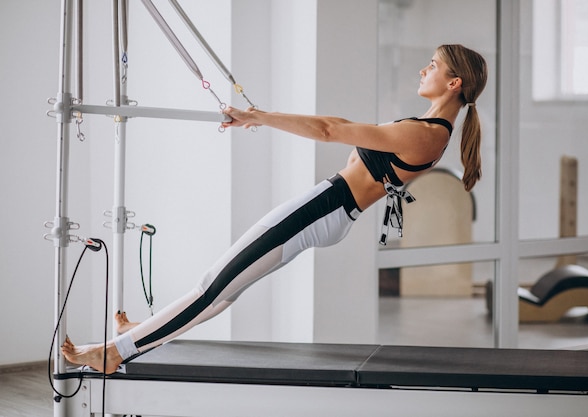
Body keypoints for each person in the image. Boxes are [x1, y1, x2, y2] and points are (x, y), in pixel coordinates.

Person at [62, 44, 488, 374]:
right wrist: (259, 116)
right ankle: (142, 335)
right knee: (220, 287)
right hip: (328, 209)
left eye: (432, 64)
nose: (423, 69)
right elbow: (335, 119)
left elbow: (328, 130)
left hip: (323, 208)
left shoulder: (428, 135)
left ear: (454, 83)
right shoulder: (427, 128)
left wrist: (261, 117)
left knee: (214, 287)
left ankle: (113, 353)